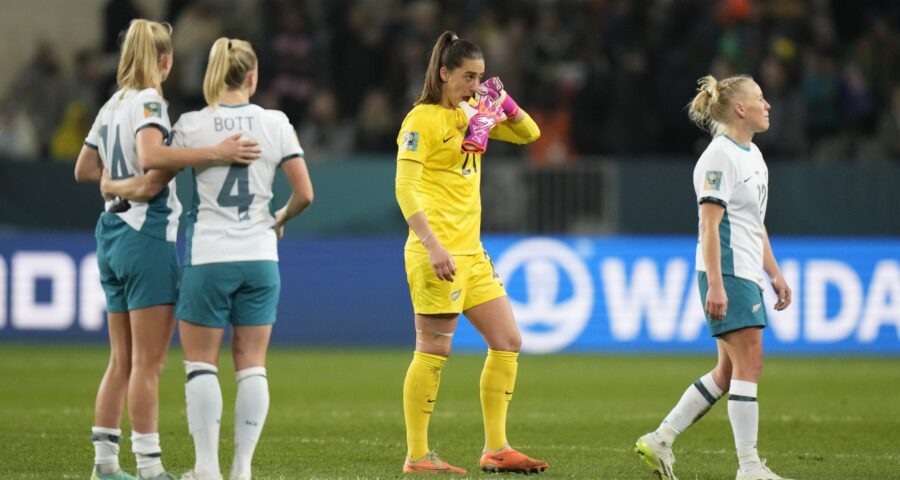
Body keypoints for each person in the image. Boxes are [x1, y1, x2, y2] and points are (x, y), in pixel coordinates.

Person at [102, 37, 313, 480]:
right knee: (252, 365)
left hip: (208, 257)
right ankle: (242, 470)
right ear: (252, 77)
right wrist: (279, 217)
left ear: (211, 74)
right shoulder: (275, 122)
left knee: (201, 365)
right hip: (260, 256)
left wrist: (113, 187)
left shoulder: (191, 126)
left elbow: (150, 184)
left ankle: (206, 470)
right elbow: (305, 194)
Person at [74, 19, 260, 480]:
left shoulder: (111, 103)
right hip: (146, 236)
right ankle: (151, 467)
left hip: (111, 232)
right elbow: (152, 155)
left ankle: (105, 464)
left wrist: (112, 183)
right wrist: (214, 152)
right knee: (148, 365)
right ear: (164, 60)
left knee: (120, 360)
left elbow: (83, 169)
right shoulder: (150, 101)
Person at [395, 30, 548, 476]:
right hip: (436, 252)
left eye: (481, 77)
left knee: (507, 341)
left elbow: (529, 133)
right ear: (443, 74)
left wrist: (504, 102)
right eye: (467, 77)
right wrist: (432, 244)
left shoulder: (471, 114)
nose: (475, 85)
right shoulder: (420, 120)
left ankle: (496, 449)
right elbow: (404, 187)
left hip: (472, 253)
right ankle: (418, 456)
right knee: (433, 351)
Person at [634, 74, 793, 480]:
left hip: (745, 273)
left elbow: (754, 223)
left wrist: (774, 272)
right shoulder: (719, 157)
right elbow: (709, 226)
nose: (767, 104)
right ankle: (749, 467)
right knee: (750, 363)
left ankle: (661, 438)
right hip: (729, 274)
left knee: (726, 372)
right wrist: (717, 285)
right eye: (760, 97)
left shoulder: (752, 154)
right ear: (740, 108)